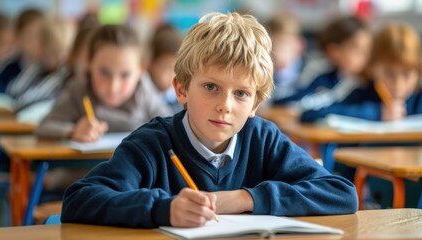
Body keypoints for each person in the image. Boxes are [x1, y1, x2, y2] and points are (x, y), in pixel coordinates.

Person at [61, 12, 357, 228]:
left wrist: (243, 199)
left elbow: (341, 194)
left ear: (255, 104)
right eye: (211, 87)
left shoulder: (262, 139)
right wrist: (164, 209)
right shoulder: (151, 144)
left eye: (241, 94)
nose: (224, 106)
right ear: (181, 89)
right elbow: (79, 199)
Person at [35, 24, 170, 141]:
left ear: (141, 70)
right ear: (88, 62)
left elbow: (170, 127)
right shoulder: (79, 90)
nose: (113, 87)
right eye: (104, 72)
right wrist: (74, 131)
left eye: (125, 75)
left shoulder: (144, 90)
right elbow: (45, 126)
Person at [301, 23, 422, 122]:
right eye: (389, 74)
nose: (398, 84)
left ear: (418, 72)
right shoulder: (358, 86)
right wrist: (376, 113)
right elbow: (310, 112)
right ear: (372, 68)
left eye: (407, 74)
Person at [274, 16, 371, 110]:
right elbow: (292, 99)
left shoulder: (366, 84)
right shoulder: (323, 76)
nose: (365, 55)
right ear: (334, 51)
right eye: (357, 49)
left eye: (368, 49)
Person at [147, 24, 183, 112]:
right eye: (168, 68)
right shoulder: (143, 93)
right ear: (151, 64)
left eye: (177, 70)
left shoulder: (179, 98)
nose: (173, 76)